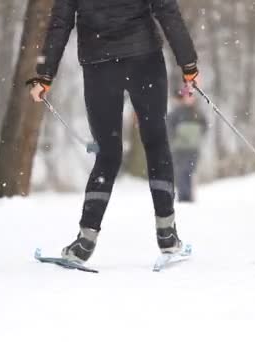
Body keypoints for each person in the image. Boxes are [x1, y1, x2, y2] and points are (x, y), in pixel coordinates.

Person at [27, 0, 199, 264]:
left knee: (107, 154)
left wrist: (45, 75)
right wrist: (188, 63)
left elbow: (60, 22)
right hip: (145, 59)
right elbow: (166, 8)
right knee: (156, 143)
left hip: (99, 65)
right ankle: (167, 234)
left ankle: (86, 240)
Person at [167, 89, 207, 202]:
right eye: (187, 97)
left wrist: (197, 136)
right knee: (181, 171)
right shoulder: (176, 113)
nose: (189, 99)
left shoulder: (197, 113)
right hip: (180, 148)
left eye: (191, 97)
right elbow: (169, 127)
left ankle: (188, 196)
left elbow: (204, 126)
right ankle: (183, 196)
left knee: (189, 171)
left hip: (193, 148)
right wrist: (175, 138)